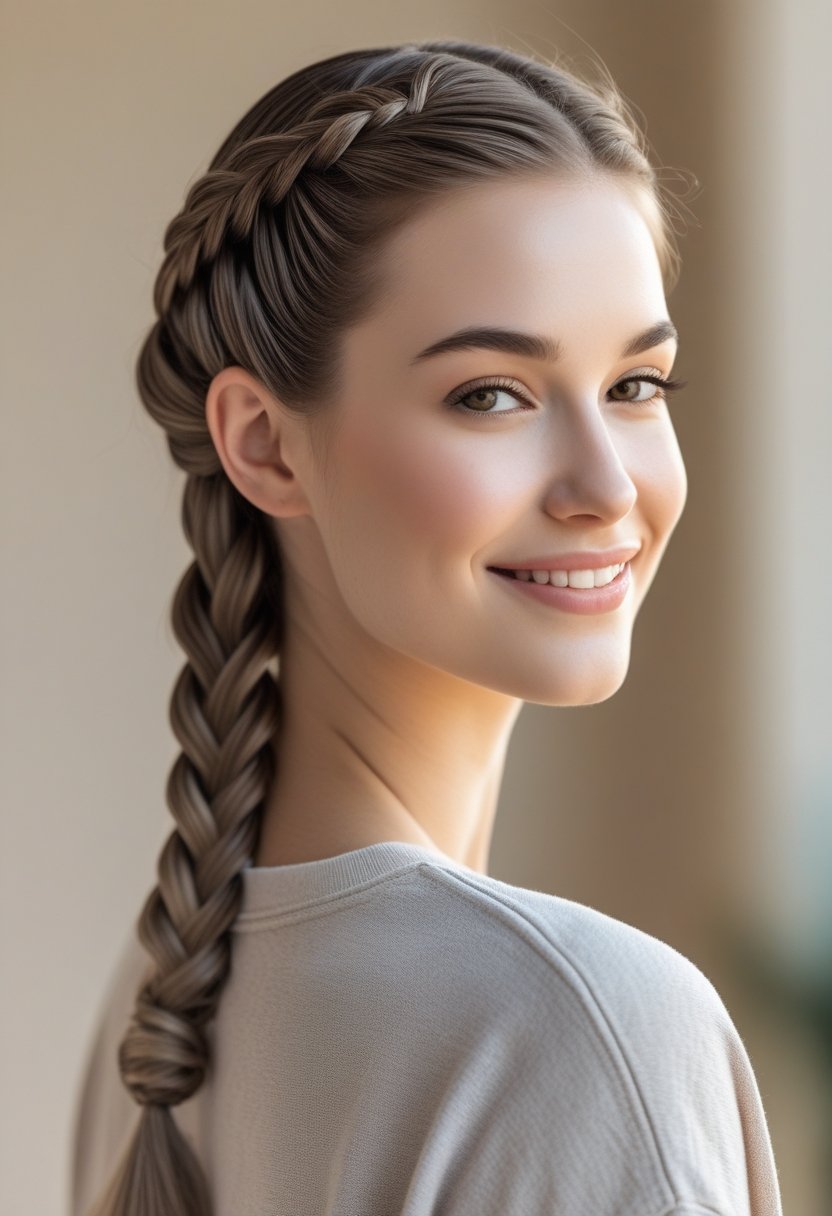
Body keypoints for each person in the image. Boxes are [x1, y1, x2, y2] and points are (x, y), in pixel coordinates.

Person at [69, 38, 784, 1216]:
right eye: (490, 394)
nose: (605, 485)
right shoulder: (581, 1026)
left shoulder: (161, 1011)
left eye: (635, 386)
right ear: (263, 442)